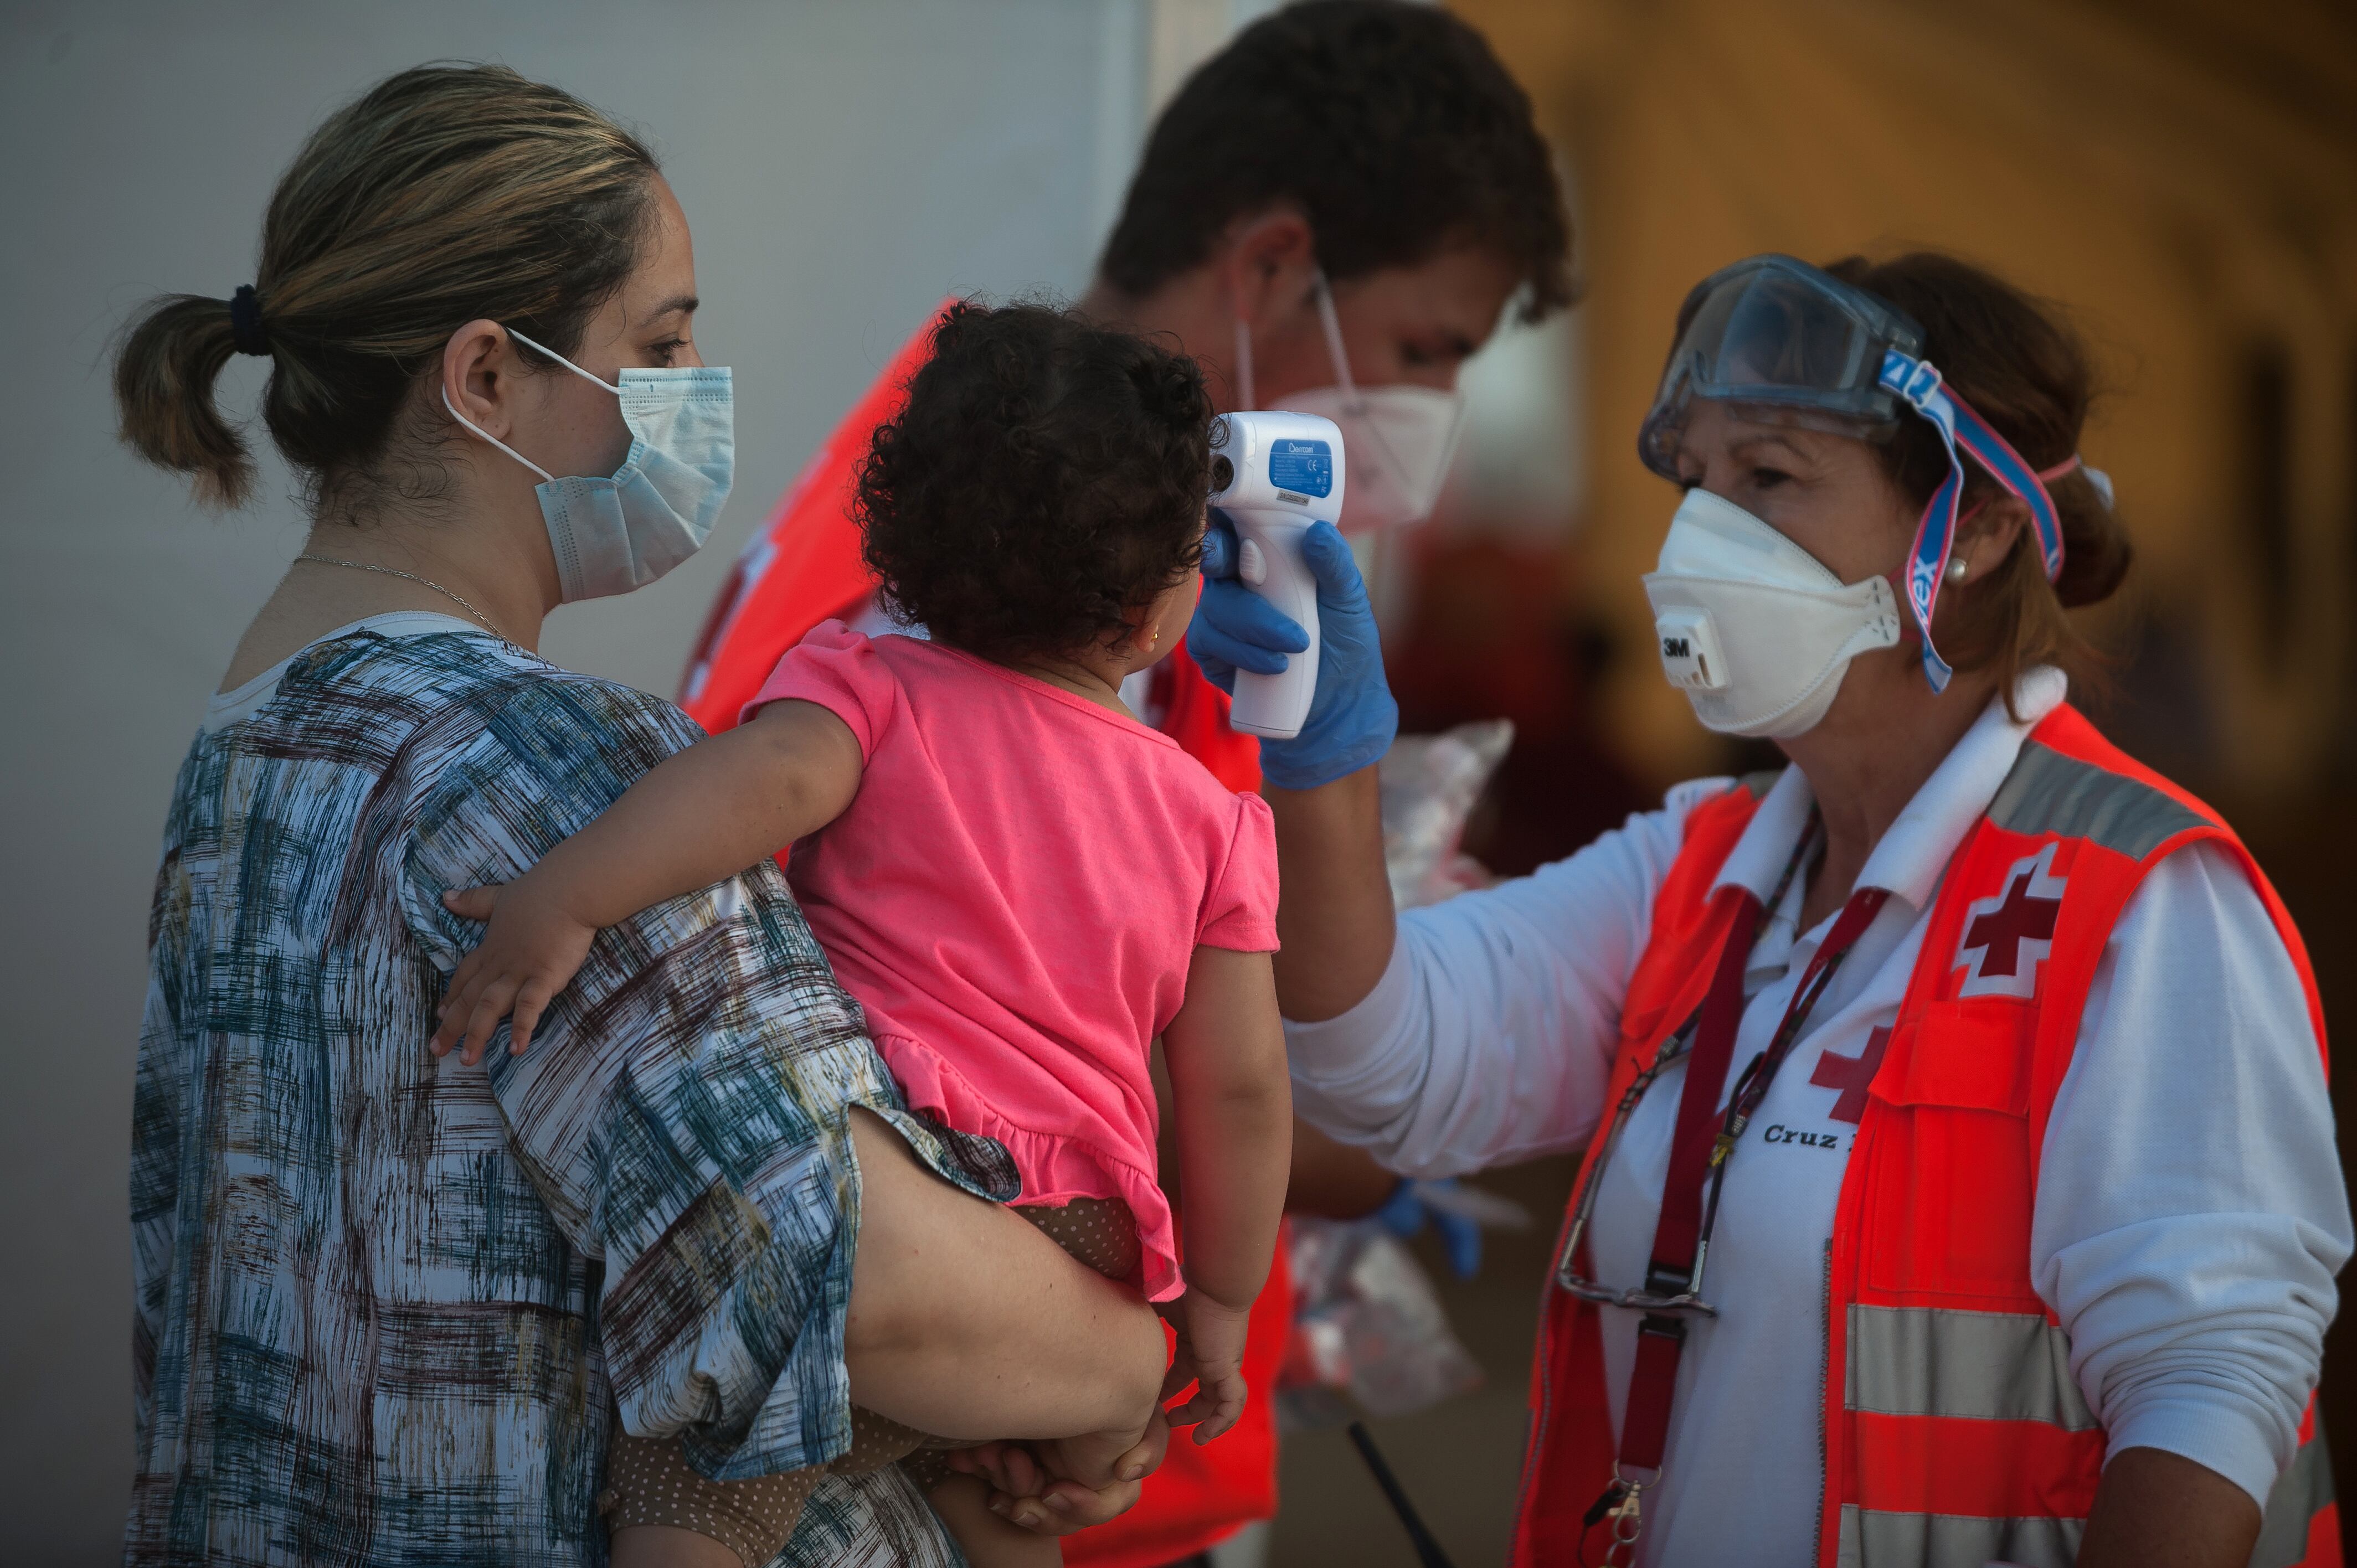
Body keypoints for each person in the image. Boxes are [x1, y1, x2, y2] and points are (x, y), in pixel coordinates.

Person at [115, 65, 1171, 1567]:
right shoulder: (553, 765)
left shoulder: (241, 758)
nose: (694, 384)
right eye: (661, 343)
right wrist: (1133, 1366)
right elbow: (857, 1282)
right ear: (485, 379)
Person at [1190, 251, 2351, 1567]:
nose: (1703, 533)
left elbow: (2206, 1389)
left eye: (1771, 478)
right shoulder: (1703, 862)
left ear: (1969, 531)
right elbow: (1382, 1065)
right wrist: (1321, 761)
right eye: (1696, 479)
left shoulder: (2143, 899)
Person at [676, 8, 1571, 1556]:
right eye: (1425, 350)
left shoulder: (1110, 543)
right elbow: (835, 1059)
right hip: (956, 1468)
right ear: (1274, 265)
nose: (1427, 416)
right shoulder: (912, 601)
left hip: (1087, 1439)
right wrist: (1337, 1152)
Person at [431, 303, 1293, 1568]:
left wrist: (564, 898)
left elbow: (759, 787)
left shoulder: (868, 687)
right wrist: (1217, 1296)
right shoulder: (1213, 819)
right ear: (1163, 601)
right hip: (1082, 1238)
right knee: (1007, 1497)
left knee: (697, 1470)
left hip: (898, 1186)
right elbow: (1240, 1086)